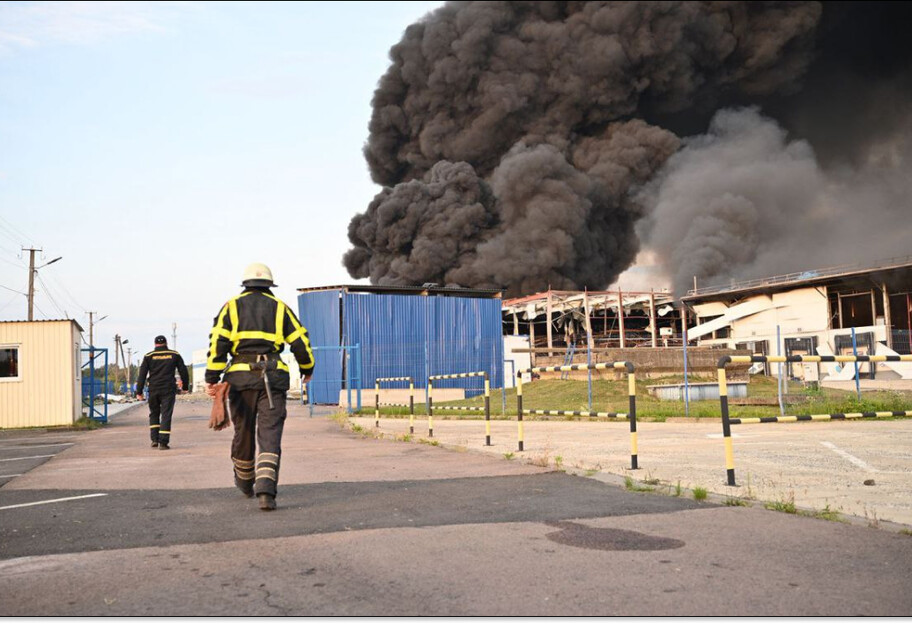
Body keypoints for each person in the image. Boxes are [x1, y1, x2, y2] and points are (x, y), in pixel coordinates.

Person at [205, 263, 315, 511]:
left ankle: (245, 481)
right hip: (273, 380)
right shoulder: (280, 308)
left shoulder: (231, 307)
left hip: (240, 381)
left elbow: (217, 343)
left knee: (242, 431)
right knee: (270, 433)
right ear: (269, 285)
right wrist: (307, 368)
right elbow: (300, 341)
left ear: (245, 284)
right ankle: (266, 490)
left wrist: (212, 376)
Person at [136, 335, 190, 450]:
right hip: (168, 389)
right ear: (166, 343)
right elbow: (183, 371)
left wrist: (139, 391)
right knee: (166, 414)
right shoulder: (174, 354)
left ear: (155, 344)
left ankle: (154, 440)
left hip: (153, 389)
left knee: (154, 413)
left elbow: (142, 375)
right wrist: (185, 386)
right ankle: (163, 443)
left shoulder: (148, 356)